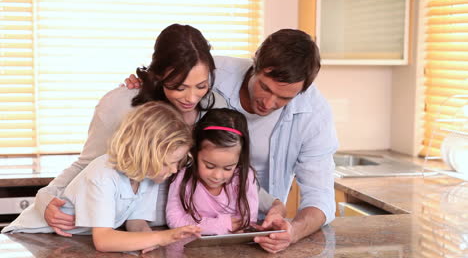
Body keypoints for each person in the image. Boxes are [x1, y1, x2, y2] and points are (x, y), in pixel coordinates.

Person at [38, 23, 284, 238]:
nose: (191, 97)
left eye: (201, 86)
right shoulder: (119, 105)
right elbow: (86, 166)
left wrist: (273, 203)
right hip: (115, 231)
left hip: (179, 231)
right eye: (178, 87)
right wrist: (45, 199)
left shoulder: (215, 109)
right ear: (157, 76)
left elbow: (233, 166)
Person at [126, 28, 339, 253]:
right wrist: (143, 84)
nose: (268, 103)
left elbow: (320, 196)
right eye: (265, 87)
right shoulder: (212, 74)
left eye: (284, 98)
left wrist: (293, 230)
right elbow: (170, 79)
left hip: (250, 232)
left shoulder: (314, 114)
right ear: (255, 63)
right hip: (171, 225)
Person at [2, 102, 201, 253]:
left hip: (66, 239)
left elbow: (136, 223)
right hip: (28, 238)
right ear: (144, 154)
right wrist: (162, 237)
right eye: (168, 163)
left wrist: (151, 240)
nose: (174, 170)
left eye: (177, 162)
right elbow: (103, 240)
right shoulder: (103, 175)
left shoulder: (149, 175)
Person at [166, 108, 258, 235]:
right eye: (209, 166)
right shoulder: (183, 176)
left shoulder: (245, 176)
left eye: (228, 168)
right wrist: (223, 224)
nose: (217, 176)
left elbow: (247, 222)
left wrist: (199, 224)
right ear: (195, 151)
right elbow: (175, 220)